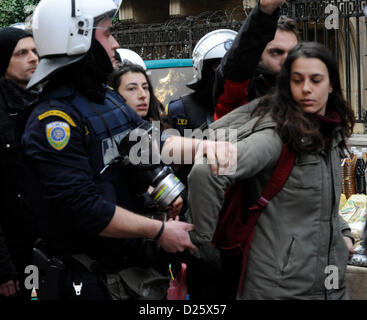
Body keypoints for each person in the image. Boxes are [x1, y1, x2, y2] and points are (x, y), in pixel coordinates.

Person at [22, 0, 234, 300]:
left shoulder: (105, 100)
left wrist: (209, 148)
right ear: (78, 39)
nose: (116, 43)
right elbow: (85, 210)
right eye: (108, 33)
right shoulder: (54, 122)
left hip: (125, 273)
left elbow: (154, 144)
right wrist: (159, 231)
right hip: (85, 280)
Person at [187, 42, 355, 299]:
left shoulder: (329, 132)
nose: (306, 88)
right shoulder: (276, 137)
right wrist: (200, 241)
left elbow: (319, 200)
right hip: (279, 289)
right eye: (297, 80)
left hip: (329, 285)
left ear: (331, 85)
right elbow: (206, 173)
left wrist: (343, 234)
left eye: (316, 79)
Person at [109, 63, 183, 219]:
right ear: (114, 96)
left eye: (145, 87)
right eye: (132, 89)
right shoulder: (109, 138)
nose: (142, 94)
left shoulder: (157, 127)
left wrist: (176, 200)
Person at [0, 26, 39, 299]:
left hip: (42, 241)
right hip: (12, 248)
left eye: (35, 51)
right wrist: (3, 269)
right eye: (22, 53)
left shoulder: (41, 99)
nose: (33, 58)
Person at [213, 0, 299, 120]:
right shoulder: (242, 94)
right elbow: (238, 64)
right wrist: (265, 11)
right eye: (276, 52)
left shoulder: (305, 93)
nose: (287, 59)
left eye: (293, 52)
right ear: (257, 56)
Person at [165, 29, 237, 136]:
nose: (226, 73)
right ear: (203, 70)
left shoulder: (256, 105)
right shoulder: (181, 109)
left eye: (234, 66)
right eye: (218, 66)